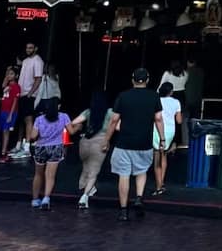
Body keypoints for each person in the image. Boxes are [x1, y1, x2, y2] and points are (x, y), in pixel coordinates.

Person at [105, 68, 164, 223]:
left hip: (124, 142)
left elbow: (113, 120)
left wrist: (107, 139)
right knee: (141, 171)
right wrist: (162, 139)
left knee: (123, 175)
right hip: (144, 142)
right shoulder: (154, 96)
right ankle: (138, 197)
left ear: (132, 79)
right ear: (148, 79)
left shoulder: (123, 96)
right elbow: (158, 119)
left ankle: (123, 211)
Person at [71, 91, 113, 209]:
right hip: (100, 144)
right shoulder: (110, 112)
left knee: (86, 167)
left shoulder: (88, 112)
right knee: (94, 172)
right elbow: (118, 126)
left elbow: (74, 122)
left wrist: (78, 128)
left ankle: (89, 188)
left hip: (84, 143)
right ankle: (84, 197)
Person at [29, 97, 71, 210]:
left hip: (41, 147)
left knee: (38, 174)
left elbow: (33, 136)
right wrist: (78, 126)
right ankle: (46, 198)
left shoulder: (39, 119)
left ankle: (35, 199)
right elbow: (71, 131)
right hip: (56, 147)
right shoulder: (64, 117)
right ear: (58, 106)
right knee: (50, 175)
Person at [152, 82, 182, 195]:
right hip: (170, 131)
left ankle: (159, 186)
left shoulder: (156, 100)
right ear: (171, 91)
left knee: (156, 159)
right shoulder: (176, 102)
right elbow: (179, 121)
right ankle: (162, 182)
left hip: (157, 130)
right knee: (163, 155)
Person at [15, 42, 45, 155]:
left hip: (29, 94)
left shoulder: (38, 61)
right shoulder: (26, 61)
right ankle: (18, 144)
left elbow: (38, 79)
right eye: (27, 47)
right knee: (21, 119)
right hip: (21, 93)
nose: (28, 49)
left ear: (36, 48)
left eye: (31, 48)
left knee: (28, 119)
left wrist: (30, 93)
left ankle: (27, 145)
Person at [0, 67, 21, 162]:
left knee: (6, 132)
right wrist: (7, 75)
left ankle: (4, 153)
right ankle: (1, 152)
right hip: (3, 111)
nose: (9, 75)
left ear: (16, 76)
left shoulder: (16, 87)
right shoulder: (7, 85)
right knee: (2, 131)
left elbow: (15, 101)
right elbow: (3, 85)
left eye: (12, 74)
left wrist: (10, 115)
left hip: (10, 112)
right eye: (9, 74)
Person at [159, 61, 188, 146]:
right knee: (178, 121)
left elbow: (161, 85)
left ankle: (166, 140)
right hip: (181, 96)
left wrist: (157, 95)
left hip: (170, 93)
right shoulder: (185, 74)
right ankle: (176, 142)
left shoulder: (168, 73)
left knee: (167, 117)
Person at [182, 57, 204, 146]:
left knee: (185, 122)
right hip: (198, 100)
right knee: (196, 121)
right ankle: (196, 141)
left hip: (187, 100)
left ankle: (186, 142)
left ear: (188, 62)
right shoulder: (201, 72)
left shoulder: (185, 72)